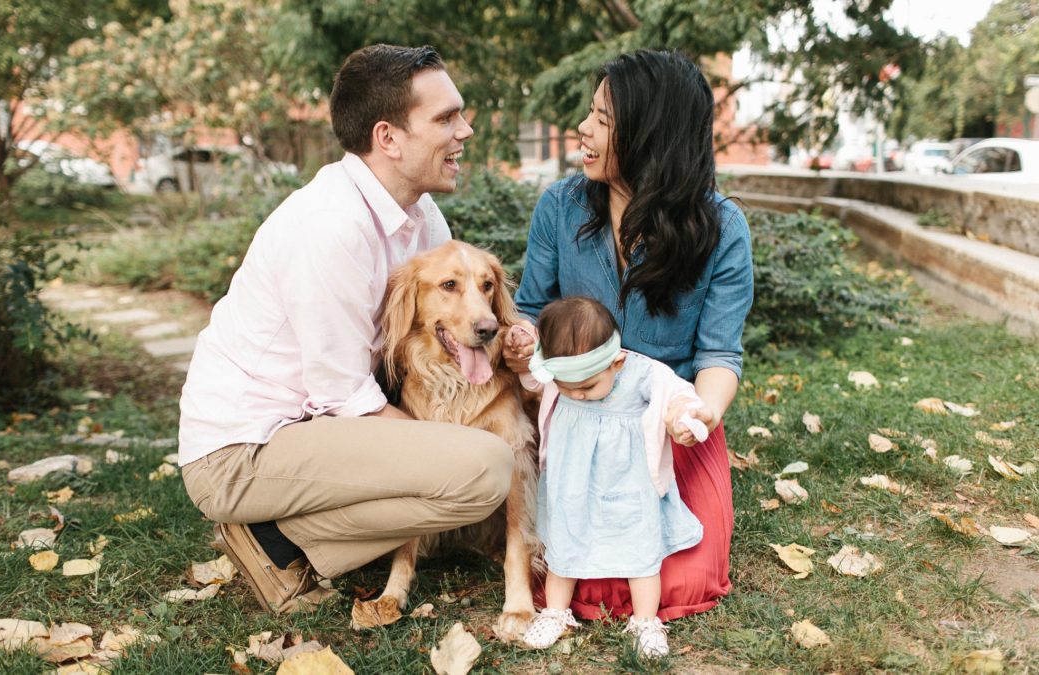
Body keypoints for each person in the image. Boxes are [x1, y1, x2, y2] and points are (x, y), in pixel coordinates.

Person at [177, 44, 514, 615]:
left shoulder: (421, 213)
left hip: (314, 430)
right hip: (243, 453)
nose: (466, 130)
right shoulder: (330, 226)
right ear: (388, 138)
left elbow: (433, 335)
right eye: (446, 118)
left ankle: (305, 533)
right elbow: (342, 396)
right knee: (482, 469)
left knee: (476, 455)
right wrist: (450, 445)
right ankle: (275, 539)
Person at [505, 50, 754, 624]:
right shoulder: (560, 208)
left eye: (603, 119)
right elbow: (533, 313)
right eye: (589, 113)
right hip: (576, 417)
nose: (583, 129)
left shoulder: (721, 230)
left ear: (651, 135)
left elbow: (718, 353)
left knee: (681, 576)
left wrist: (702, 415)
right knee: (578, 572)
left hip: (667, 421)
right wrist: (523, 342)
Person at [517, 297, 709, 658]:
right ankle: (556, 612)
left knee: (640, 548)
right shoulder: (566, 376)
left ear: (616, 361)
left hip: (628, 483)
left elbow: (677, 391)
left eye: (587, 387)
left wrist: (683, 413)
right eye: (566, 386)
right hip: (572, 483)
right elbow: (532, 378)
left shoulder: (639, 372)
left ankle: (646, 621)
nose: (576, 395)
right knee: (565, 541)